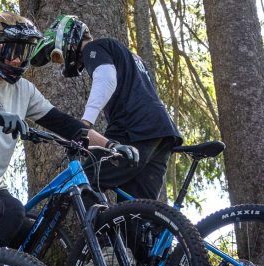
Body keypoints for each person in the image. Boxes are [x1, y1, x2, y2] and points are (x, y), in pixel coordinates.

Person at [0, 11, 137, 252]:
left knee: (32, 236)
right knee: (11, 213)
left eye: (23, 52)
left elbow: (65, 124)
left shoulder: (25, 90)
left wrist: (111, 145)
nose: (17, 60)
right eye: (11, 52)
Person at [30, 14, 182, 202]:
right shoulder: (129, 56)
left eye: (56, 56)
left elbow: (106, 78)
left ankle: (93, 230)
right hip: (161, 133)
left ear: (65, 38)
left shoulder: (94, 47)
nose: (60, 63)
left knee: (83, 179)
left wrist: (85, 123)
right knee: (138, 213)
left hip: (134, 128)